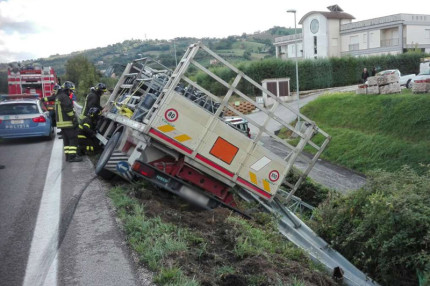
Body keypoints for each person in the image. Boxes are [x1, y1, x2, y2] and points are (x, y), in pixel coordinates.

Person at [42, 81, 82, 162]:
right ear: (67, 90)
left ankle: (68, 156)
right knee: (73, 138)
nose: (71, 92)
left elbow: (50, 99)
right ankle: (72, 157)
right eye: (71, 91)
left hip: (61, 124)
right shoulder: (64, 97)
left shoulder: (58, 96)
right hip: (67, 122)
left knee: (66, 140)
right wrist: (74, 119)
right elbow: (68, 109)